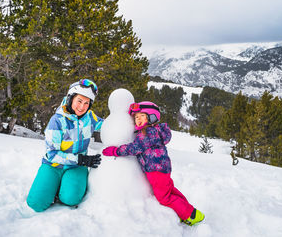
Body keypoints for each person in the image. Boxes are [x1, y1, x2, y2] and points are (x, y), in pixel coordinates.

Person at [102, 101, 205, 226]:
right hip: (162, 168)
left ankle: (190, 215)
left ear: (151, 117)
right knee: (170, 191)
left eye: (142, 116)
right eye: (136, 117)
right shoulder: (154, 131)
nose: (138, 119)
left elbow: (134, 148)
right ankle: (190, 211)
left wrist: (115, 150)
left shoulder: (147, 133)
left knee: (164, 197)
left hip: (155, 170)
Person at [27, 79, 103, 212]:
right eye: (79, 101)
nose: (82, 106)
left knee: (70, 199)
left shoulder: (90, 117)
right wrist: (82, 159)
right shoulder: (57, 121)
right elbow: (52, 154)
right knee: (36, 203)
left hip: (76, 167)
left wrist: (135, 122)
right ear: (70, 99)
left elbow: (109, 126)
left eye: (86, 103)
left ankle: (64, 186)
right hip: (53, 165)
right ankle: (54, 185)